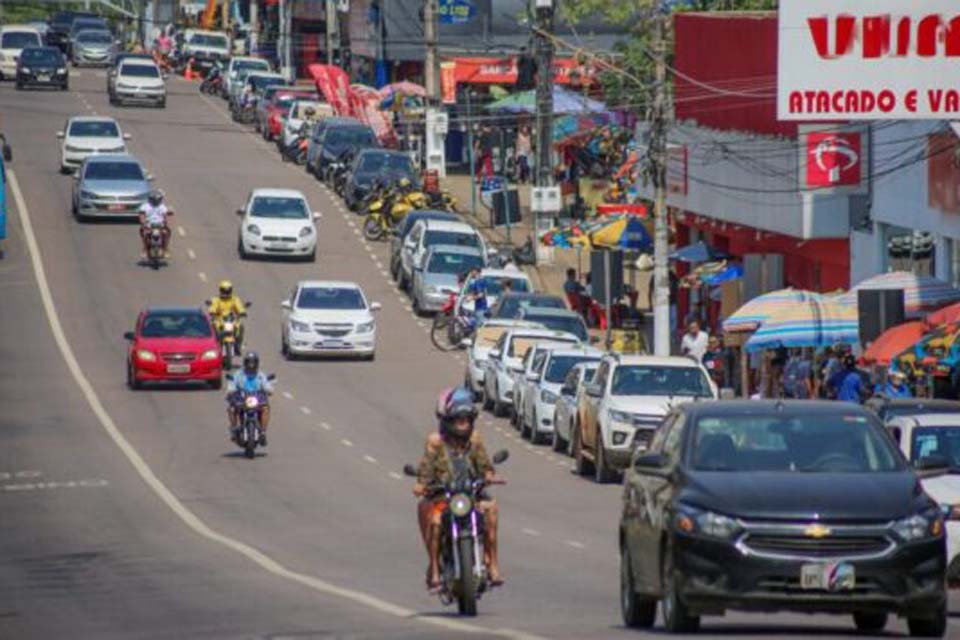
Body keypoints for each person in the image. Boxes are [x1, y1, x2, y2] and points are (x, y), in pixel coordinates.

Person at [414, 388, 501, 591]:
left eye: (466, 420)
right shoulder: (435, 442)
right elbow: (425, 471)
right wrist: (421, 484)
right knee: (435, 520)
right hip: (443, 497)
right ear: (448, 420)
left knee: (492, 508)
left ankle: (492, 564)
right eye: (458, 420)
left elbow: (485, 466)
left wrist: (489, 475)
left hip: (471, 495)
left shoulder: (475, 440)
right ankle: (434, 568)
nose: (463, 424)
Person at [226, 352, 273, 445]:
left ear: (257, 363)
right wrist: (230, 390)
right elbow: (232, 384)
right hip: (242, 398)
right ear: (245, 363)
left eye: (253, 362)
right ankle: (234, 429)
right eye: (249, 362)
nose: (251, 365)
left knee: (266, 409)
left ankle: (263, 432)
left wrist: (269, 390)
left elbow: (267, 385)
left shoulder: (261, 375)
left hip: (257, 399)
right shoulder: (239, 374)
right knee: (231, 409)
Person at [207, 280, 247, 348]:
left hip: (231, 319)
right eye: (224, 291)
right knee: (212, 326)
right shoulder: (216, 299)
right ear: (220, 290)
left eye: (228, 291)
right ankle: (214, 345)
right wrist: (212, 312)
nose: (226, 293)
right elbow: (213, 306)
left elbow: (239, 306)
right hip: (219, 319)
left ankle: (238, 344)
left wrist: (242, 312)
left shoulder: (234, 299)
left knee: (241, 326)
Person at [138, 190, 172, 258]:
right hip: (149, 224)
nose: (156, 201)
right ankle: (144, 249)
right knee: (144, 233)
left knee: (167, 233)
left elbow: (166, 216)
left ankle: (165, 249)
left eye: (158, 199)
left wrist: (166, 223)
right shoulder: (145, 206)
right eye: (154, 199)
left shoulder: (162, 207)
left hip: (160, 224)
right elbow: (141, 215)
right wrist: (143, 223)